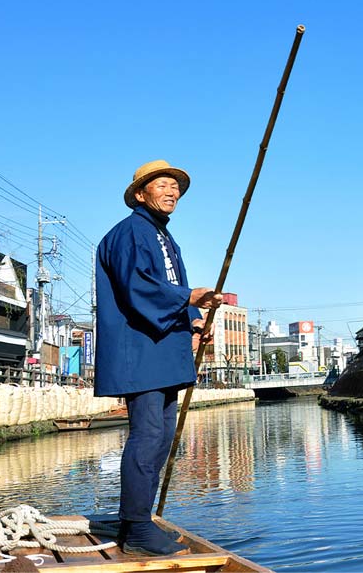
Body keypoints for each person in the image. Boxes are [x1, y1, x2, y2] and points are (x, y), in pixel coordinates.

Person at [95, 159, 222, 557]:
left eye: (176, 187)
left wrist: (196, 321)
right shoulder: (131, 232)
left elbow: (171, 287)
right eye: (162, 185)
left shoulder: (164, 236)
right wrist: (188, 298)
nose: (172, 192)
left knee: (163, 435)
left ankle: (141, 520)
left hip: (162, 348)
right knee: (148, 434)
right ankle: (134, 526)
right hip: (140, 348)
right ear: (140, 193)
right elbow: (138, 287)